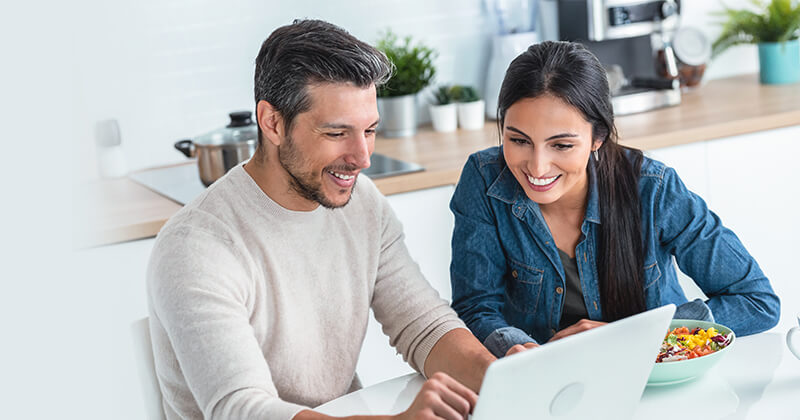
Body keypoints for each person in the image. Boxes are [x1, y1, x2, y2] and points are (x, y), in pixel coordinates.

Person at [147, 19, 496, 420]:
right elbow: (241, 408)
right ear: (272, 123)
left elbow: (424, 325)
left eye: (370, 130)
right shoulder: (197, 246)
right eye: (337, 134)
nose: (363, 157)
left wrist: (504, 378)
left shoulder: (362, 203)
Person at [449, 41, 780, 359]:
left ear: (598, 138)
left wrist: (633, 340)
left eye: (561, 145)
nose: (537, 167)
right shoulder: (483, 179)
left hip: (656, 381)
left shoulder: (653, 189)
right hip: (547, 389)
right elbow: (475, 308)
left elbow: (757, 301)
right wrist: (522, 352)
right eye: (519, 140)